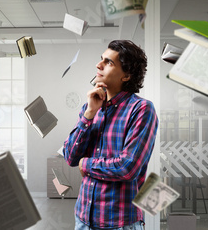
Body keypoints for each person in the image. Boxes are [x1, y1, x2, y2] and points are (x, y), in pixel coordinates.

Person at [63, 40, 158, 230]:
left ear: (126, 76)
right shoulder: (90, 107)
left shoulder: (141, 110)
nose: (99, 65)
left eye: (109, 62)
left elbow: (127, 167)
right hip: (83, 219)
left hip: (119, 223)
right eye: (101, 60)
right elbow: (71, 157)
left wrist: (86, 164)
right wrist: (89, 114)